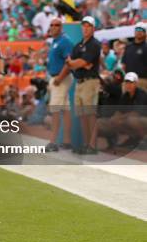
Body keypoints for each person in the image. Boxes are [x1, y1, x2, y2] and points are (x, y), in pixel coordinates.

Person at [64, 16, 101, 154]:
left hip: (90, 81)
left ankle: (92, 145)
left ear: (93, 28)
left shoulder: (95, 44)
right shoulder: (78, 45)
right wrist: (78, 63)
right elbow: (71, 63)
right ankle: (87, 144)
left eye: (88, 26)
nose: (85, 28)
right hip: (79, 81)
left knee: (90, 114)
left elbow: (80, 63)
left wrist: (77, 63)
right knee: (82, 115)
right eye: (84, 25)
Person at [44, 17, 74, 152]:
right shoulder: (55, 41)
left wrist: (59, 78)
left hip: (61, 78)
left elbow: (70, 61)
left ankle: (53, 142)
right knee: (65, 109)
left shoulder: (64, 41)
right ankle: (67, 141)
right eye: (51, 25)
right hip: (57, 77)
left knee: (55, 110)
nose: (53, 27)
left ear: (61, 27)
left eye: (56, 25)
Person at [97, 72, 147, 150]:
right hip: (129, 119)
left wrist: (120, 118)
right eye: (127, 82)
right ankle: (133, 139)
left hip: (142, 120)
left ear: (136, 83)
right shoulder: (125, 96)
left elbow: (136, 113)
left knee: (131, 120)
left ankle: (144, 140)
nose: (128, 84)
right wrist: (114, 118)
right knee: (101, 122)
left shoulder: (141, 94)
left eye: (131, 82)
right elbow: (119, 111)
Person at [122, 22, 146, 92]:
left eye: (142, 30)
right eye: (137, 29)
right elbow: (124, 64)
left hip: (142, 81)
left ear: (145, 33)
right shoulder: (128, 46)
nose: (139, 31)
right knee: (126, 102)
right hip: (128, 80)